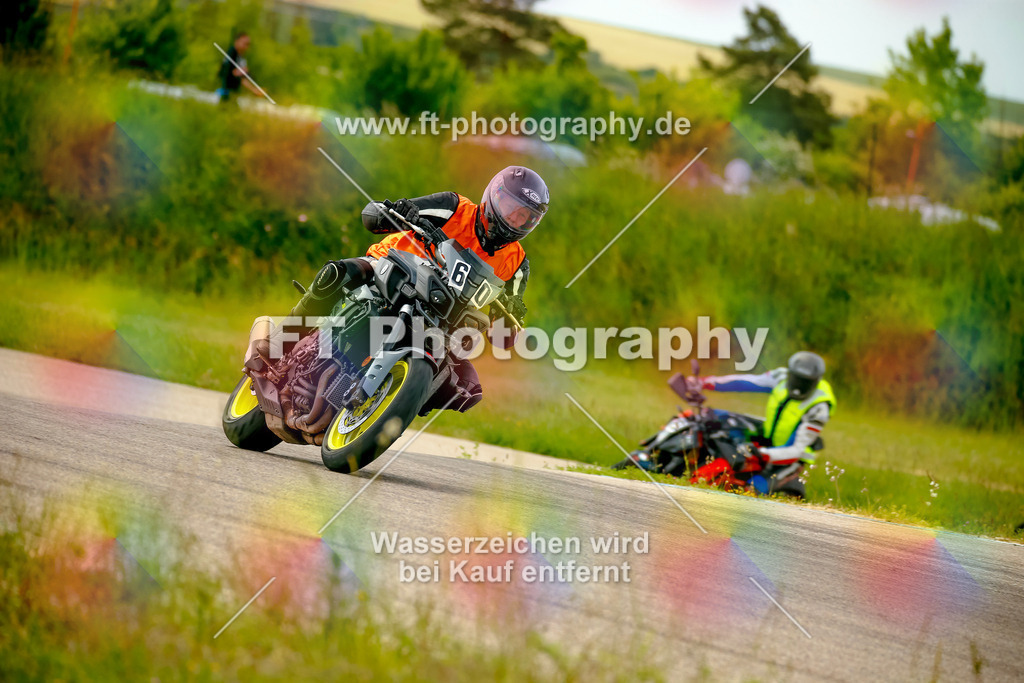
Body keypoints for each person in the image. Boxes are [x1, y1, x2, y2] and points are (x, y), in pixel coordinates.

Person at [289, 165, 549, 413]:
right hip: (390, 268)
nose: (516, 219)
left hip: (441, 313)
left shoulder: (517, 264)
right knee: (339, 273)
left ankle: (391, 402)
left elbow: (505, 324)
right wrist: (396, 211)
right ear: (495, 196)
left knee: (467, 386)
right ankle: (282, 339)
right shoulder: (455, 207)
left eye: (525, 216)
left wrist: (509, 321)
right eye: (512, 208)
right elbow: (389, 213)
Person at [701, 351, 836, 469]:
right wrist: (706, 383)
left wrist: (762, 454)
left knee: (754, 488)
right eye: (797, 379)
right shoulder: (781, 377)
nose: (799, 385)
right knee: (719, 418)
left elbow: (797, 450)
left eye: (805, 381)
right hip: (767, 436)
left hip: (790, 460)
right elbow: (746, 382)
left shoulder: (820, 406)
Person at [216, 32, 259, 103]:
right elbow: (231, 72)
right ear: (237, 41)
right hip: (225, 92)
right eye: (244, 43)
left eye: (248, 44)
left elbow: (242, 76)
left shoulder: (241, 57)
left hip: (233, 92)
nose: (246, 46)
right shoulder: (232, 54)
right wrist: (254, 89)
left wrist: (254, 89)